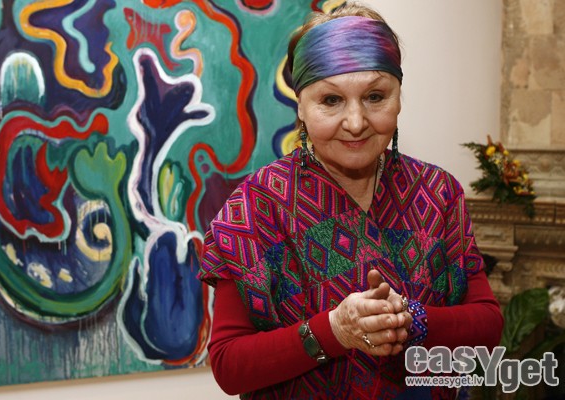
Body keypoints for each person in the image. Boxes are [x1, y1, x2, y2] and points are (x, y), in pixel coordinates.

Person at [198, 3, 503, 399]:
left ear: (398, 97)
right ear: (301, 106)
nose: (356, 122)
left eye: (375, 96)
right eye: (331, 100)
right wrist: (335, 330)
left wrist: (412, 319)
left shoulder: (438, 192)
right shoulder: (257, 207)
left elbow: (488, 325)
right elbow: (230, 366)